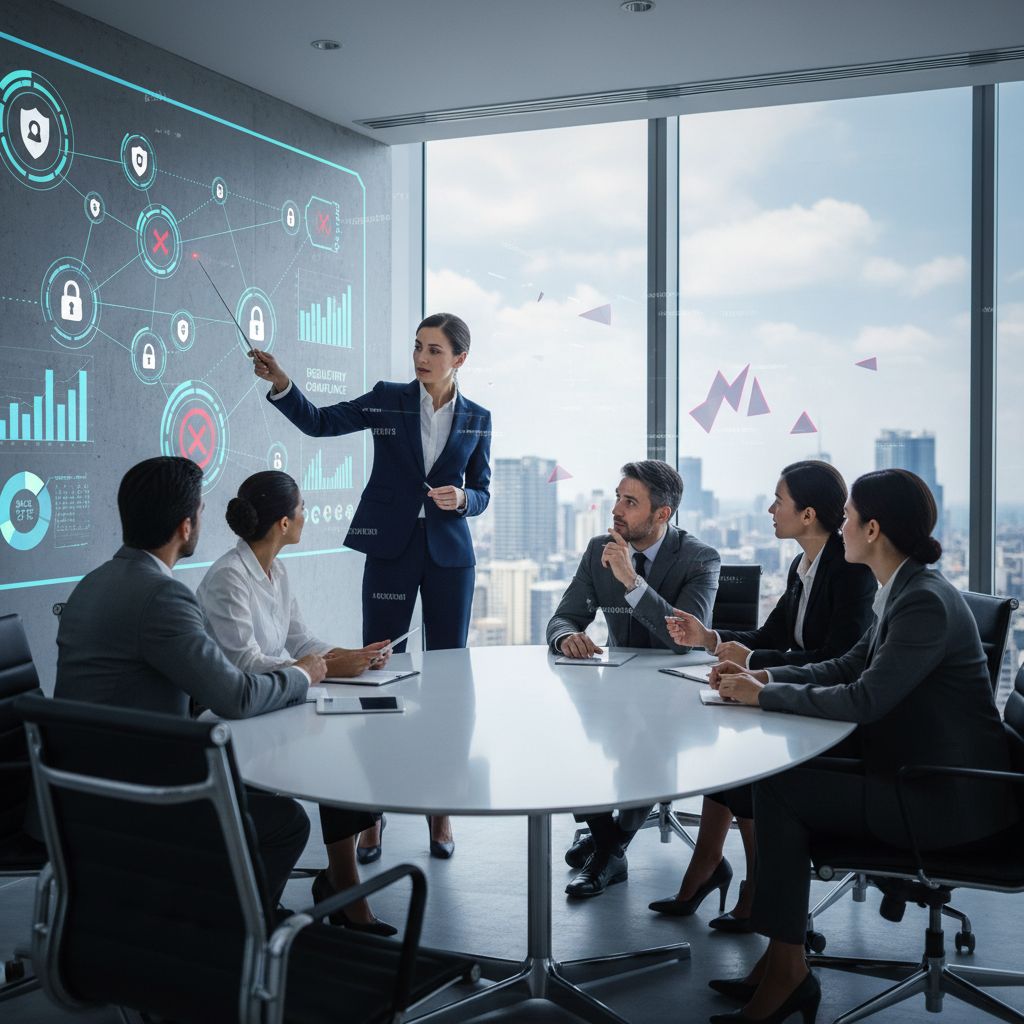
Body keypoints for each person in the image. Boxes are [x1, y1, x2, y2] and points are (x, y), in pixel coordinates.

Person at [705, 469, 1016, 1024]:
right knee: (778, 779)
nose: (840, 526)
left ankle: (786, 971)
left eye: (847, 518)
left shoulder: (923, 602)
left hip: (947, 798)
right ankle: (782, 962)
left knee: (781, 787)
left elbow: (865, 698)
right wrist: (765, 683)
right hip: (917, 772)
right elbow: (849, 665)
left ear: (873, 529)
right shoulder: (906, 588)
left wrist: (763, 699)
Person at [252, 313, 491, 861]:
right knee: (378, 669)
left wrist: (464, 500)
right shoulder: (388, 398)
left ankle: (441, 810)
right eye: (417, 347)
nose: (421, 358)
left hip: (451, 558)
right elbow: (319, 422)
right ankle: (371, 813)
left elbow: (482, 489)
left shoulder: (479, 417)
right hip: (390, 548)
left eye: (434, 350)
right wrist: (282, 384)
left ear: (459, 359)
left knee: (448, 677)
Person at [54, 457, 328, 907]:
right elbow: (236, 694)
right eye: (200, 513)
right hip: (135, 797)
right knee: (288, 822)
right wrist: (304, 673)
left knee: (245, 781)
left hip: (78, 788)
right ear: (185, 527)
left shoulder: (94, 582)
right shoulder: (162, 595)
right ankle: (240, 936)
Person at [650, 461, 876, 928]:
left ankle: (756, 889)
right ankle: (710, 864)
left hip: (832, 711)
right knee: (722, 738)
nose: (771, 509)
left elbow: (837, 656)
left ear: (808, 514)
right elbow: (771, 634)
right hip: (802, 693)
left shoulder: (850, 572)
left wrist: (754, 668)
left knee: (743, 761)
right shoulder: (804, 564)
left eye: (779, 500)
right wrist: (709, 639)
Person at [197, 470, 396, 935]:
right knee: (332, 746)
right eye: (302, 507)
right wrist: (314, 668)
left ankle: (341, 881)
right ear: (284, 523)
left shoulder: (276, 570)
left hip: (272, 703)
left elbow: (301, 639)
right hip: (235, 717)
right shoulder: (228, 578)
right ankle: (341, 888)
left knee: (344, 738)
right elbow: (243, 663)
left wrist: (355, 656)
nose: (307, 513)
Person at [546, 459, 721, 899]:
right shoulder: (597, 549)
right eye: (617, 499)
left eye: (630, 502)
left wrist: (631, 581)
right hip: (619, 687)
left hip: (676, 691)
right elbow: (565, 616)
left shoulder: (699, 558)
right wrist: (568, 635)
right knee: (568, 739)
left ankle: (605, 852)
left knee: (643, 738)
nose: (616, 511)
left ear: (662, 514)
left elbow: (685, 639)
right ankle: (609, 845)